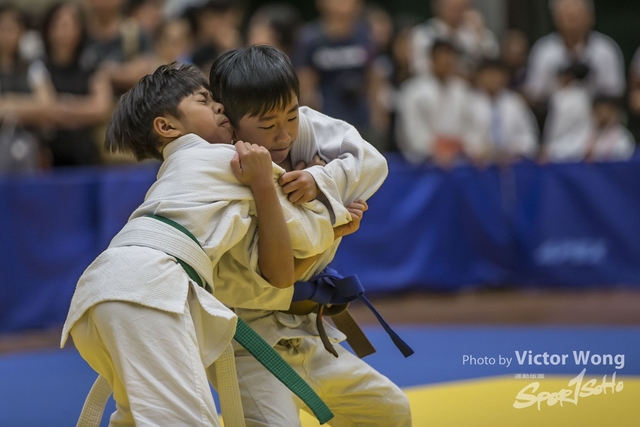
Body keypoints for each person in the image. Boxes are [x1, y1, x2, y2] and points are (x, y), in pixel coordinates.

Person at [61, 63, 346, 425]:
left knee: (139, 418)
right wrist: (324, 183)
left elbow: (280, 275)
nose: (221, 108)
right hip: (146, 290)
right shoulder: (225, 159)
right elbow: (308, 228)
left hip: (103, 295)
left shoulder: (177, 172)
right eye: (205, 101)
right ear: (166, 126)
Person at [209, 45, 412, 427]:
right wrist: (331, 221)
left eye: (290, 116)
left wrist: (321, 179)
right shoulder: (222, 172)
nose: (284, 134)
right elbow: (274, 279)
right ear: (228, 121)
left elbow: (374, 164)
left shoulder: (305, 127)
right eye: (268, 125)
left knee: (386, 411)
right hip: (244, 340)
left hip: (301, 328)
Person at [33, 2, 112, 167]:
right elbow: (46, 109)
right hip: (51, 147)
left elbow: (101, 108)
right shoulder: (38, 65)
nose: (64, 32)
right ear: (48, 29)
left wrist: (63, 106)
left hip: (86, 146)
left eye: (69, 25)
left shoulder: (92, 63)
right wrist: (82, 110)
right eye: (59, 25)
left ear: (80, 29)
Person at [292, 0, 384, 139]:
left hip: (361, 119)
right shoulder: (310, 39)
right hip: (326, 122)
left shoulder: (365, 36)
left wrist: (377, 118)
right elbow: (305, 86)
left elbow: (373, 80)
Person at [524, 0, 625, 105]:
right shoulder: (543, 51)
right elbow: (533, 94)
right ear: (556, 20)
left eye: (578, 16)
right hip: (554, 114)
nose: (573, 23)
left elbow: (615, 92)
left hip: (596, 115)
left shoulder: (606, 50)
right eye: (568, 17)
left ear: (590, 18)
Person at [396, 39, 478, 166]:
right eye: (443, 57)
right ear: (432, 59)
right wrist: (434, 148)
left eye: (451, 58)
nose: (447, 62)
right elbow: (411, 130)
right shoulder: (413, 90)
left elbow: (473, 125)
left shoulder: (463, 90)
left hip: (459, 161)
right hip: (423, 165)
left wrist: (463, 145)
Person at [471, 59, 539, 163]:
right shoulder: (470, 103)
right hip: (478, 164)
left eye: (497, 74)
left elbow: (530, 136)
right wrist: (477, 151)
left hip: (512, 162)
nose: (492, 79)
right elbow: (464, 135)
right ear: (479, 77)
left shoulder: (515, 102)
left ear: (505, 77)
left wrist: (514, 149)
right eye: (489, 74)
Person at [409, 0, 499, 76]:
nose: (457, 12)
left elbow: (493, 59)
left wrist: (480, 33)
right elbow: (419, 68)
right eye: (453, 8)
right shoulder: (424, 33)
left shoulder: (471, 33)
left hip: (467, 90)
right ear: (439, 7)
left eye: (461, 8)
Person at [542, 62, 593, 162]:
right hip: (582, 149)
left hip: (562, 152)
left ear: (568, 77)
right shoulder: (586, 95)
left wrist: (548, 148)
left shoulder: (560, 98)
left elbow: (557, 128)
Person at [584, 95, 635, 161]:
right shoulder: (585, 131)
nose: (601, 114)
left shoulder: (621, 134)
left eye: (604, 110)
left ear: (612, 111)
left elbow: (625, 156)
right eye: (597, 110)